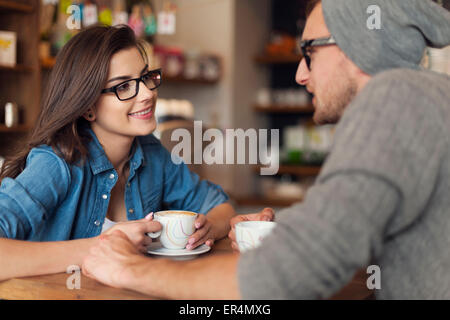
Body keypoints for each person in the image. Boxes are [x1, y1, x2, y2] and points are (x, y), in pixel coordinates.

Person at [82, 0, 450, 299]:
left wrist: (131, 269)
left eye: (309, 52)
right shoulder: (423, 98)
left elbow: (294, 273)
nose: (300, 75)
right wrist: (288, 233)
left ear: (358, 43)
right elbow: (356, 230)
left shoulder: (396, 100)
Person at [0, 25, 236, 281]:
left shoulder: (152, 154)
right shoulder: (56, 163)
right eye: (123, 86)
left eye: (145, 77)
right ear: (88, 106)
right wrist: (105, 246)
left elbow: (221, 207)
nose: (148, 93)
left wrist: (207, 229)